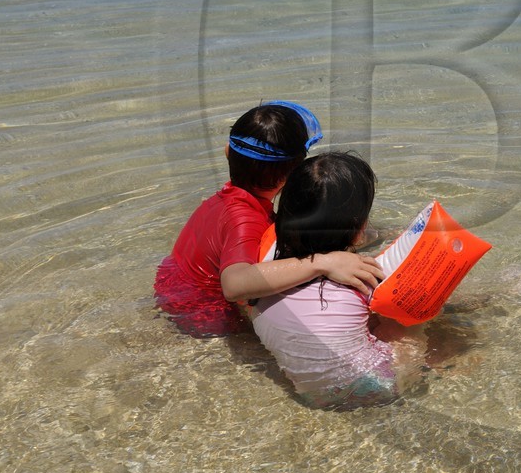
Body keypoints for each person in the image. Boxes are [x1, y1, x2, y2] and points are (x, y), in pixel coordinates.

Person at [154, 102, 381, 337]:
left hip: (174, 293)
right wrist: (323, 262)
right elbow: (234, 285)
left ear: (227, 152)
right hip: (204, 318)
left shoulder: (228, 200)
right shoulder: (246, 220)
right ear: (294, 175)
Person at [249, 151, 417, 407]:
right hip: (373, 390)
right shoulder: (364, 279)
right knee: (410, 320)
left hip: (310, 395)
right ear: (359, 231)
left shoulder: (265, 272)